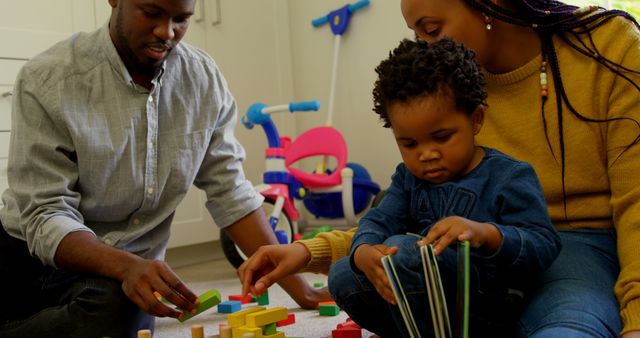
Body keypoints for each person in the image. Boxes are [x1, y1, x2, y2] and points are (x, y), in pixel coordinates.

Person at [239, 0, 640, 337]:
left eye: (431, 29)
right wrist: (307, 251)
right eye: (418, 35)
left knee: (566, 325)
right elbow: (396, 221)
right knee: (370, 269)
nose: (428, 49)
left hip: (572, 249)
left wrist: (636, 316)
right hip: (474, 270)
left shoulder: (606, 47)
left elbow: (635, 204)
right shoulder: (442, 95)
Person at [0, 0, 319, 337]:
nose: (167, 32)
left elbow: (230, 191)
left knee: (121, 313)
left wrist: (299, 288)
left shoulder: (202, 79)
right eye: (151, 14)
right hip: (29, 253)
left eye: (181, 19)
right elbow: (46, 213)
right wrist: (127, 266)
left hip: (117, 274)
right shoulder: (48, 78)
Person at [332, 37, 561, 337]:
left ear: (475, 119)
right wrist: (362, 251)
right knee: (343, 273)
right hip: (421, 289)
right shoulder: (408, 178)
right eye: (409, 143)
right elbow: (379, 219)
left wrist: (486, 234)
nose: (426, 154)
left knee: (402, 251)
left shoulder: (509, 175)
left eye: (441, 137)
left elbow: (544, 244)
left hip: (489, 304)